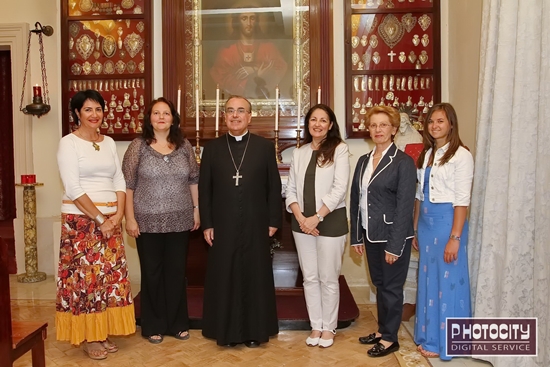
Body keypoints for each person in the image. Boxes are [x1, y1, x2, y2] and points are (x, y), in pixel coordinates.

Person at [56, 90, 135, 360]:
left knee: (109, 281)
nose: (94, 114)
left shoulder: (110, 142)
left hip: (111, 221)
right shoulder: (69, 143)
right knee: (86, 281)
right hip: (81, 223)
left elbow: (119, 181)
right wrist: (100, 220)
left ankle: (102, 331)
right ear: (77, 113)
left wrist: (118, 216)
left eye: (98, 109)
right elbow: (73, 187)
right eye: (88, 109)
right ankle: (90, 337)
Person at [199, 95, 282, 347]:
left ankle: (254, 332)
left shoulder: (264, 147)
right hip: (222, 224)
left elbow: (273, 187)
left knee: (254, 275)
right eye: (230, 111)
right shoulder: (212, 148)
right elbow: (205, 190)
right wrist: (207, 223)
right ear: (224, 116)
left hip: (256, 223)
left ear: (250, 116)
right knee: (225, 275)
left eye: (241, 111)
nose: (235, 115)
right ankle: (226, 332)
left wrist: (273, 220)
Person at [122, 97, 200, 344]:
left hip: (180, 219)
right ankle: (152, 325)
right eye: (157, 113)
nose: (162, 117)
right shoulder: (138, 146)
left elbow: (193, 179)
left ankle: (178, 324)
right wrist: (130, 218)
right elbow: (128, 185)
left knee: (176, 273)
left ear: (173, 118)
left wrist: (196, 210)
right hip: (146, 221)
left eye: (166, 113)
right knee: (152, 274)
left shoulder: (184, 146)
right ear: (150, 118)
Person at [349, 105, 417, 358]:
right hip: (369, 234)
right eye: (374, 125)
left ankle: (390, 339)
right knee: (380, 284)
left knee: (391, 287)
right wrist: (356, 236)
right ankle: (382, 330)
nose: (378, 129)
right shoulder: (364, 161)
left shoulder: (403, 162)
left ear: (394, 130)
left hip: (392, 236)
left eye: (384, 125)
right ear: (369, 129)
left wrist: (394, 245)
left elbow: (404, 207)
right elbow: (357, 200)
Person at [285, 104, 349, 348]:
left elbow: (339, 188)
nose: (318, 124)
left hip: (329, 221)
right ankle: (316, 325)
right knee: (310, 277)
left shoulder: (340, 150)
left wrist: (317, 217)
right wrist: (301, 218)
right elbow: (290, 189)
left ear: (330, 125)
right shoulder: (299, 153)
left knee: (328, 277)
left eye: (323, 120)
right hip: (301, 222)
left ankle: (329, 328)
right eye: (314, 119)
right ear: (308, 123)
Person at [413, 103, 473, 360]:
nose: (435, 126)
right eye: (431, 122)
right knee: (428, 281)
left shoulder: (462, 155)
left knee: (447, 282)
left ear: (451, 124)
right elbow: (419, 195)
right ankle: (429, 336)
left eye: (440, 121)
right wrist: (415, 227)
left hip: (448, 223)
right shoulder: (426, 154)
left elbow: (462, 200)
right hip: (426, 225)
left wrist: (455, 237)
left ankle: (448, 343)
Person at [210, 10, 288, 98]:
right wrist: (252, 80)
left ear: (257, 21)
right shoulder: (227, 51)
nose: (249, 23)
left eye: (252, 18)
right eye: (244, 18)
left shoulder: (268, 48)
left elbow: (279, 68)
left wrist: (255, 70)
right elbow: (220, 76)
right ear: (237, 22)